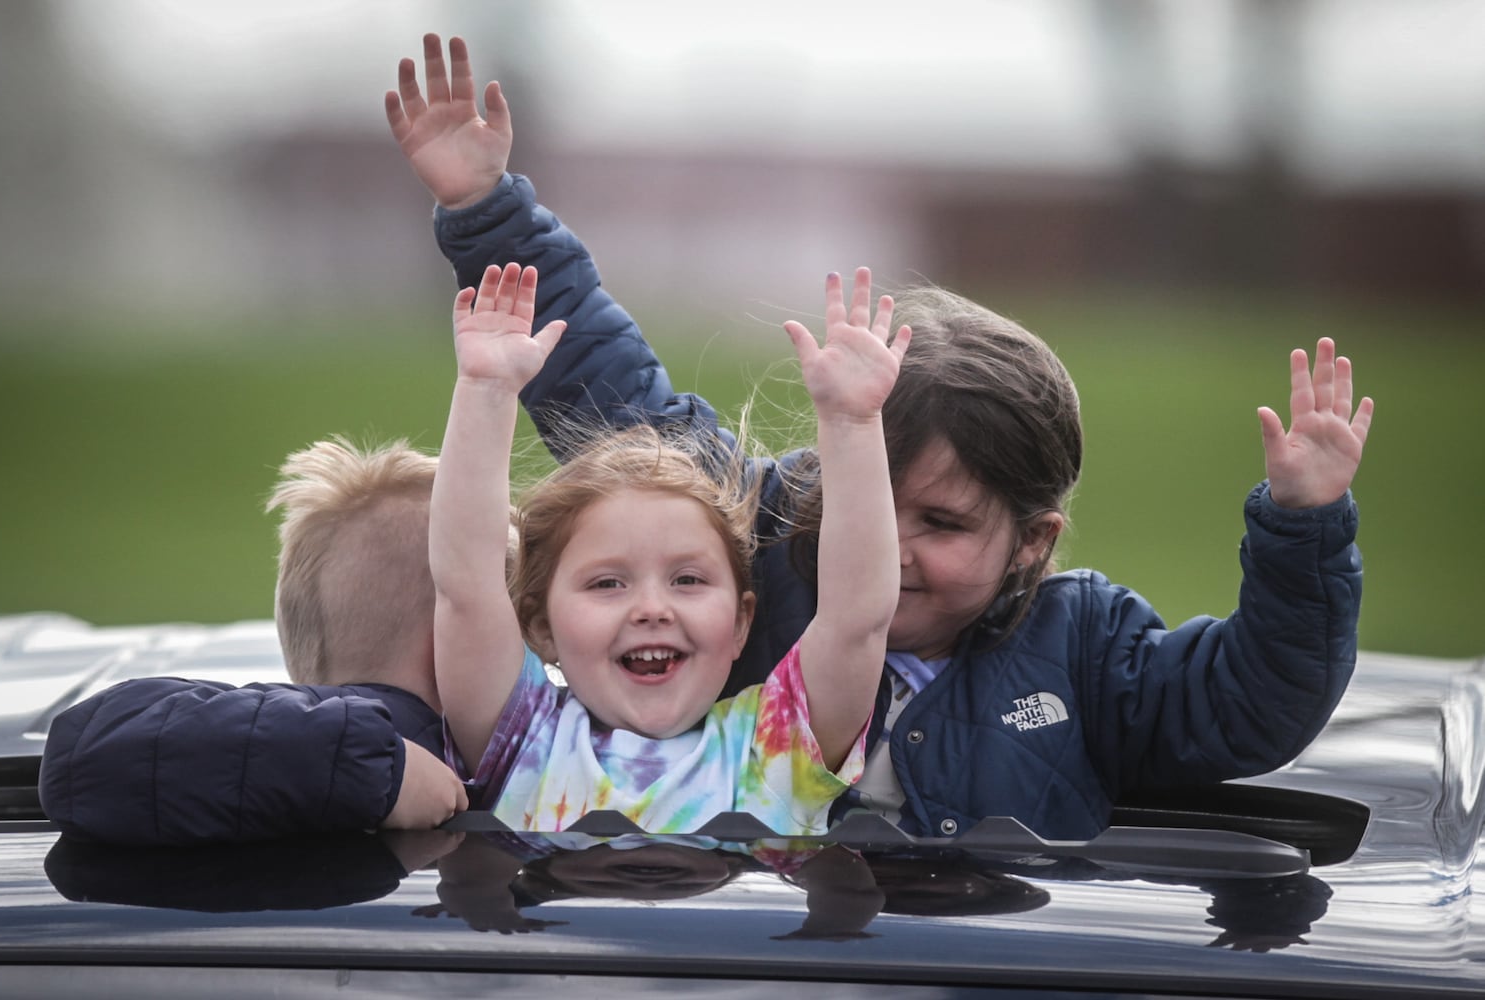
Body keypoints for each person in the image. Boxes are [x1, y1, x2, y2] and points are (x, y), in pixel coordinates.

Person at [385, 34, 1375, 842]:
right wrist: (484, 210)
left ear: (1030, 539)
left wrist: (1304, 526)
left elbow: (1249, 702)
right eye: (865, 497)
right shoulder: (735, 537)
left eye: (942, 520)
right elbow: (596, 373)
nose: (891, 546)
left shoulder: (1081, 647)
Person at [430, 258, 907, 834]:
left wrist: (853, 424)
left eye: (688, 580)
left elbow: (857, 620)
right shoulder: (521, 739)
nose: (652, 607)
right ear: (540, 627)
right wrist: (485, 390)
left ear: (739, 624)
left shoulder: (777, 750)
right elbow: (466, 590)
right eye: (608, 583)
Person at [38, 438, 470, 844]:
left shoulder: (291, 753)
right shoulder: (389, 750)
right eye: (513, 628)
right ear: (452, 642)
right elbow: (85, 754)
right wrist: (378, 765)